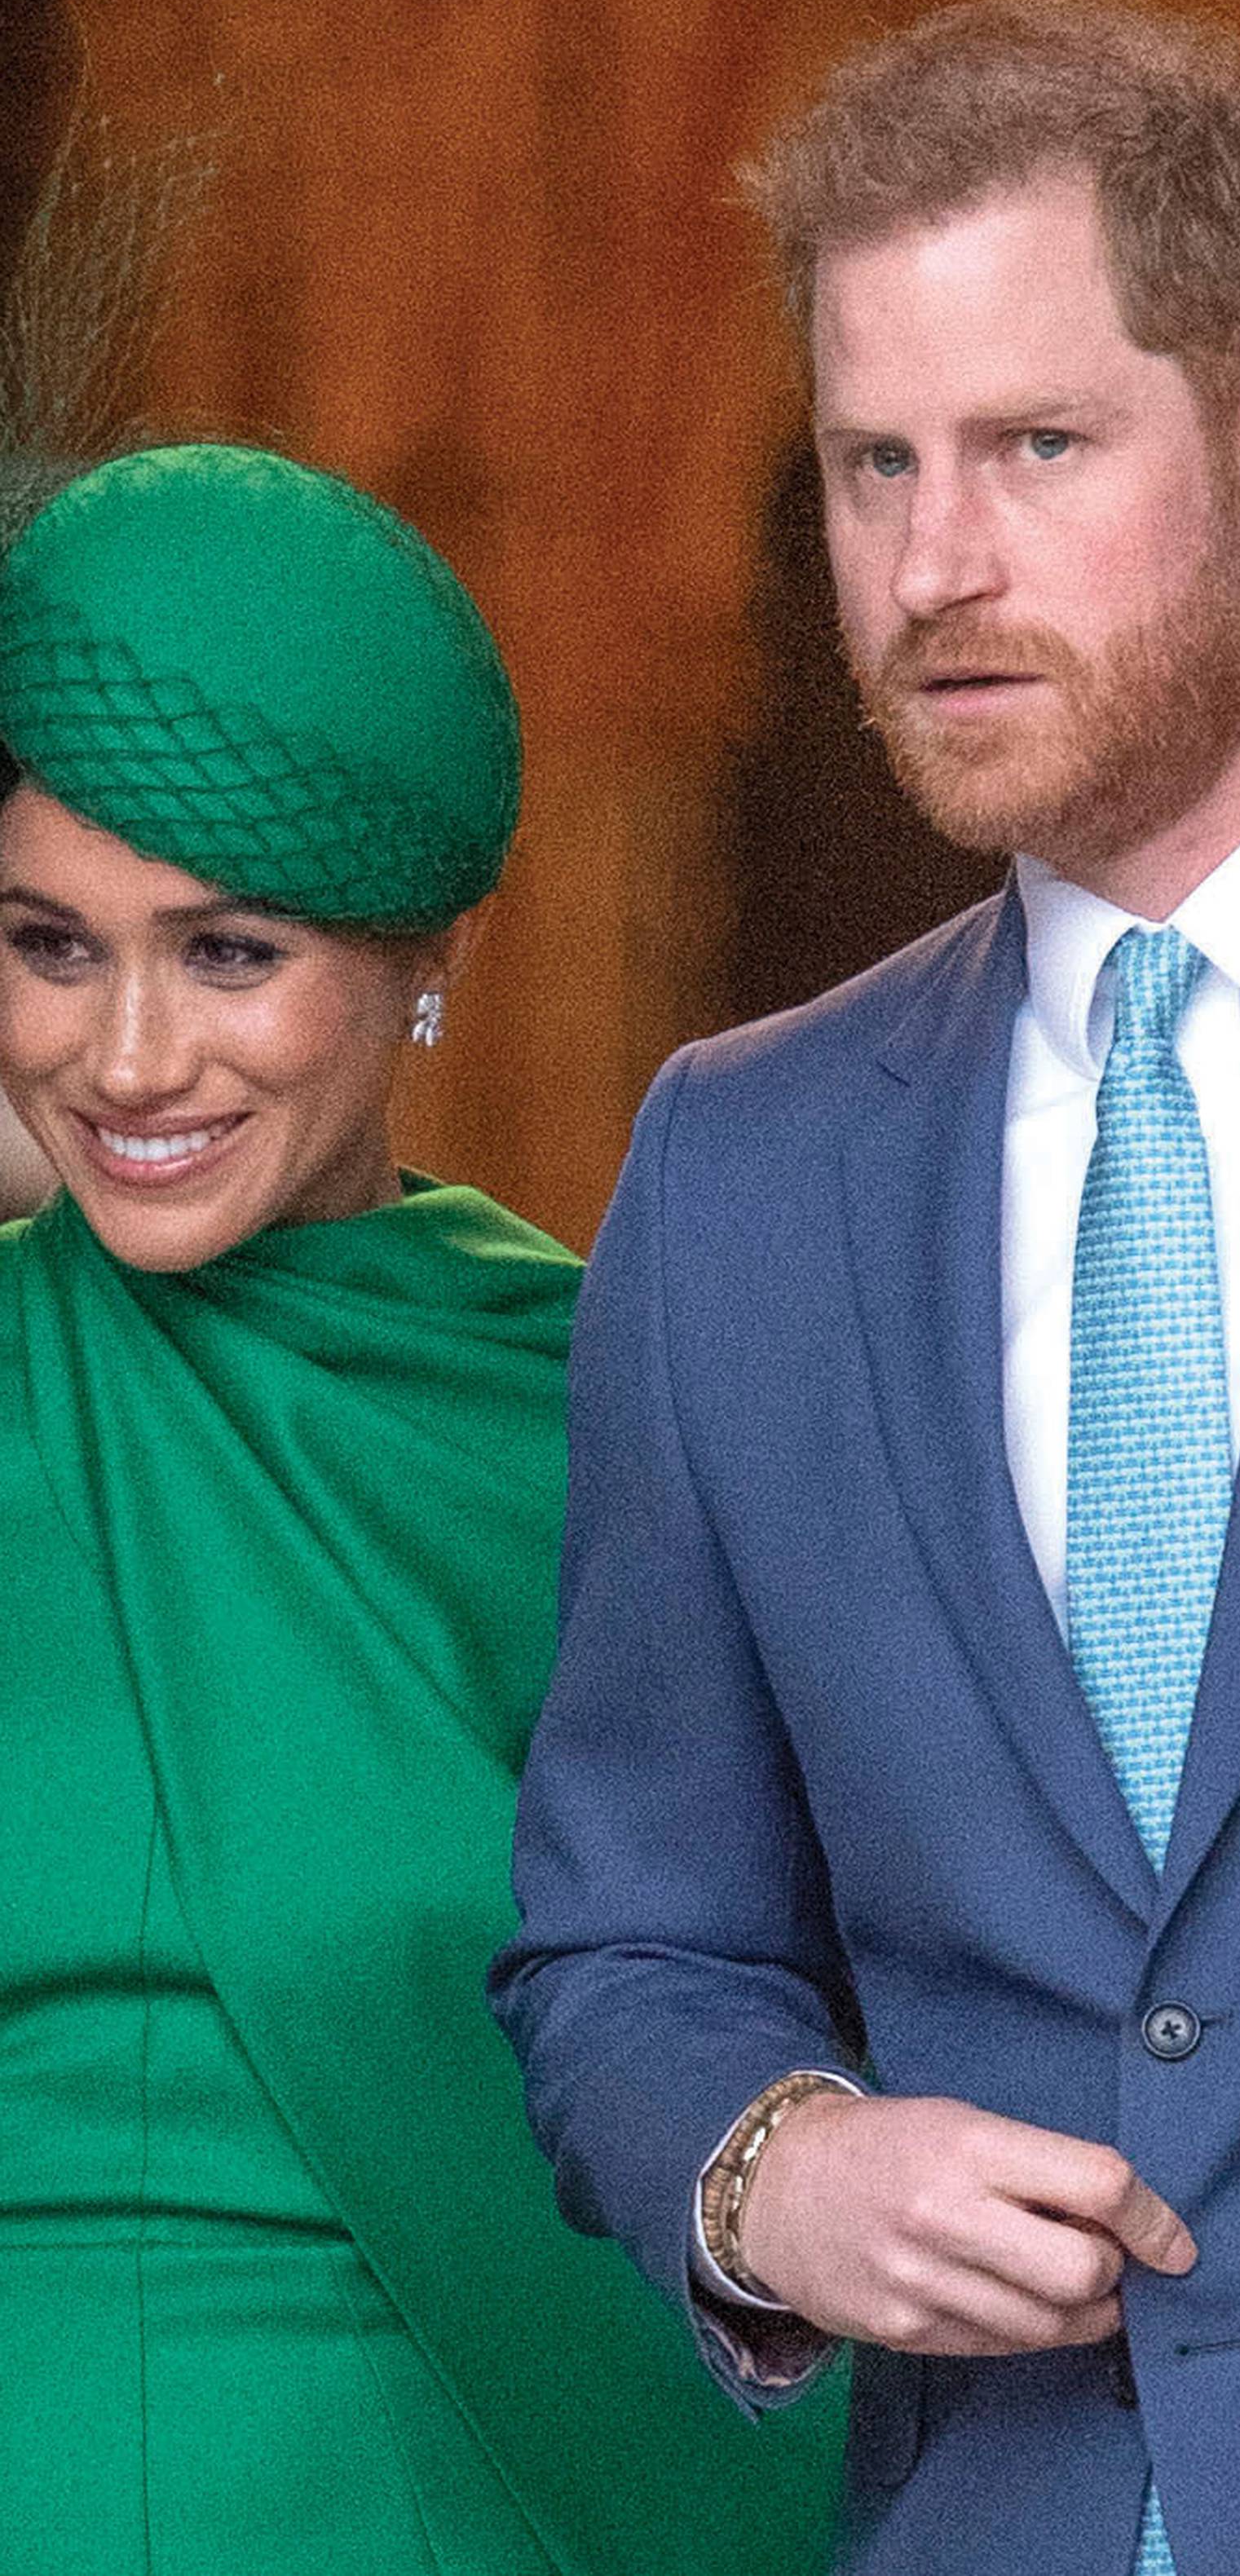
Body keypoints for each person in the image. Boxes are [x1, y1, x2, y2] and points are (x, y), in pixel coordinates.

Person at [492, 0, 1240, 2574]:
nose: (929, 567)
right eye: (872, 463)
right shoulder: (736, 1166)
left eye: (1034, 449)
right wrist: (777, 2171)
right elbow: (627, 1937)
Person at [0, 442, 843, 2574]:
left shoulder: (624, 1413)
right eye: (49, 945)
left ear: (425, 952)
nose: (124, 1054)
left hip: (471, 2511)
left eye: (227, 951)